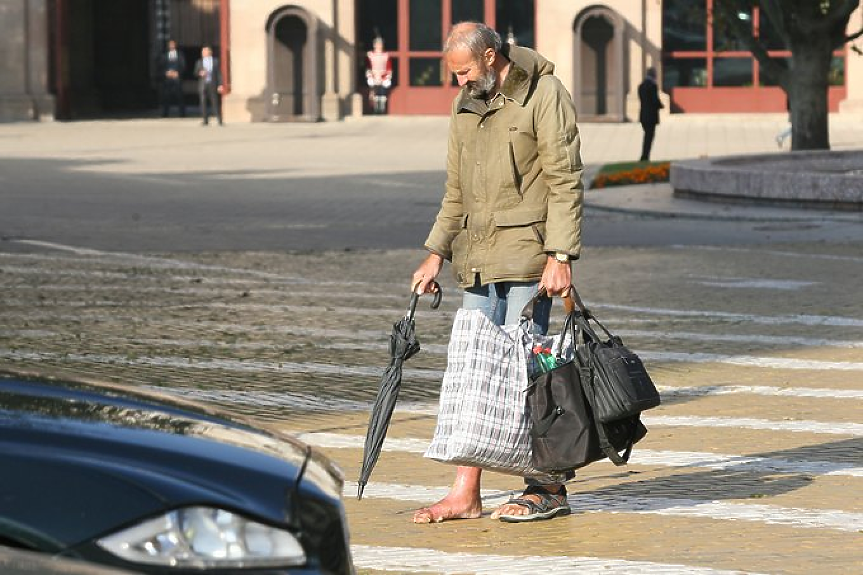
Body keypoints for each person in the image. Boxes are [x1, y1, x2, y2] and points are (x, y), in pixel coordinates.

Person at [411, 22, 583, 524]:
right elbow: (455, 192)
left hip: (530, 257)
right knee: (474, 373)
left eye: (464, 71)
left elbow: (565, 180)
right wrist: (435, 252)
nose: (458, 82)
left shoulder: (544, 94)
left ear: (490, 56)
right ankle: (466, 494)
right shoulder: (464, 105)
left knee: (529, 376)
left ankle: (548, 486)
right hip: (478, 259)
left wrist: (562, 255)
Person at [638, 67, 663, 161]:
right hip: (651, 116)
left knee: (647, 136)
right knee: (649, 137)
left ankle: (645, 155)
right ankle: (645, 156)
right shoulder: (652, 86)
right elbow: (654, 100)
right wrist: (660, 106)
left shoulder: (641, 86)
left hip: (643, 115)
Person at [194, 46, 223, 126]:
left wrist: (220, 84)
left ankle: (219, 119)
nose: (203, 53)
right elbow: (195, 72)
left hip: (212, 84)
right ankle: (205, 120)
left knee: (215, 102)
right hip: (203, 84)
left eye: (205, 51)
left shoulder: (215, 61)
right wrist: (200, 73)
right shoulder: (199, 62)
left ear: (210, 52)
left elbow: (219, 74)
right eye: (203, 52)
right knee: (203, 102)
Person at [158, 40, 186, 118]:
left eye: (173, 44)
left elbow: (183, 65)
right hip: (167, 78)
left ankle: (182, 113)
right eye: (170, 44)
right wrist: (166, 73)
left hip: (177, 78)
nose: (172, 46)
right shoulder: (164, 55)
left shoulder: (180, 55)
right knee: (166, 96)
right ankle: (165, 113)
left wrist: (178, 73)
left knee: (180, 96)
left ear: (175, 45)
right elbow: (161, 66)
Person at [365, 36, 392, 114]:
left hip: (383, 77)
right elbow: (368, 67)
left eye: (380, 44)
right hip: (373, 77)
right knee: (374, 93)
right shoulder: (370, 55)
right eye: (377, 44)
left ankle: (382, 109)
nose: (379, 46)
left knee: (382, 93)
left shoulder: (386, 55)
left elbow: (389, 68)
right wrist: (371, 76)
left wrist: (384, 76)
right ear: (374, 45)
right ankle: (375, 109)